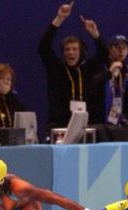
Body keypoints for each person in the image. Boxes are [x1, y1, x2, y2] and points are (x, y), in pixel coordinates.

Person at [38, 1, 108, 129]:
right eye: (67, 49)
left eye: (74, 49)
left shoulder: (87, 68)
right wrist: (59, 19)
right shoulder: (57, 68)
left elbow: (104, 54)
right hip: (59, 124)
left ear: (80, 52)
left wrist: (94, 33)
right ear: (63, 53)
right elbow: (44, 47)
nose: (71, 52)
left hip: (85, 124)